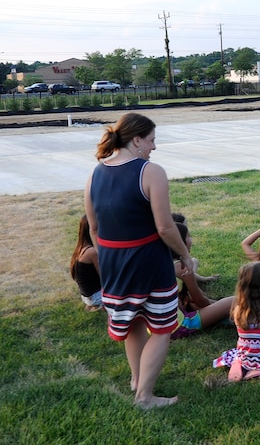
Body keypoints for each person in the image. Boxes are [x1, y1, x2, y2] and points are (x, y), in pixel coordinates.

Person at [84, 112, 194, 409]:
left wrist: (110, 258)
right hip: (148, 263)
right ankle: (144, 396)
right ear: (136, 140)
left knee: (132, 322)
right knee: (161, 328)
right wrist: (185, 256)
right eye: (151, 140)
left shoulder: (95, 173)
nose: (153, 147)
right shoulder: (150, 171)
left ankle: (137, 380)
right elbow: (165, 227)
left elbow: (93, 227)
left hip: (113, 263)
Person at [171, 212, 220, 286]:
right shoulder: (177, 266)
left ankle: (192, 278)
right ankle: (196, 279)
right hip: (174, 287)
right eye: (188, 236)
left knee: (194, 261)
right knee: (187, 269)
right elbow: (198, 297)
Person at [69, 214, 103, 311]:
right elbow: (104, 276)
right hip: (95, 297)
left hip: (88, 296)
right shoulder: (91, 251)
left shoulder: (82, 247)